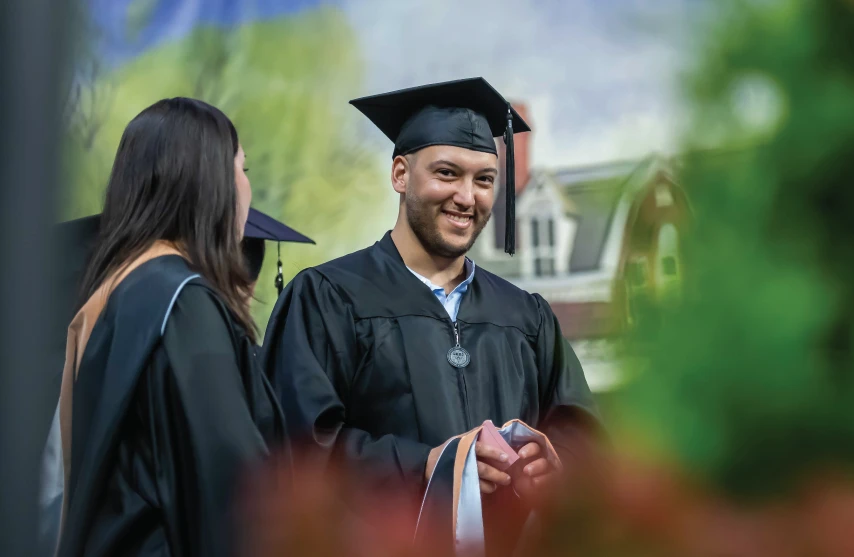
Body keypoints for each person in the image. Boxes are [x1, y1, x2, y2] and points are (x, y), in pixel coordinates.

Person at [262, 78, 601, 534]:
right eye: (447, 173)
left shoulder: (524, 317)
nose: (467, 197)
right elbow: (300, 451)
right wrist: (429, 465)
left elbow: (581, 434)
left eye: (484, 180)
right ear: (400, 174)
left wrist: (552, 459)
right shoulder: (328, 299)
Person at [54, 97, 286, 557]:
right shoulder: (182, 303)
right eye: (243, 168)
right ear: (210, 181)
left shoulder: (117, 289)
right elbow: (230, 496)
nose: (246, 187)